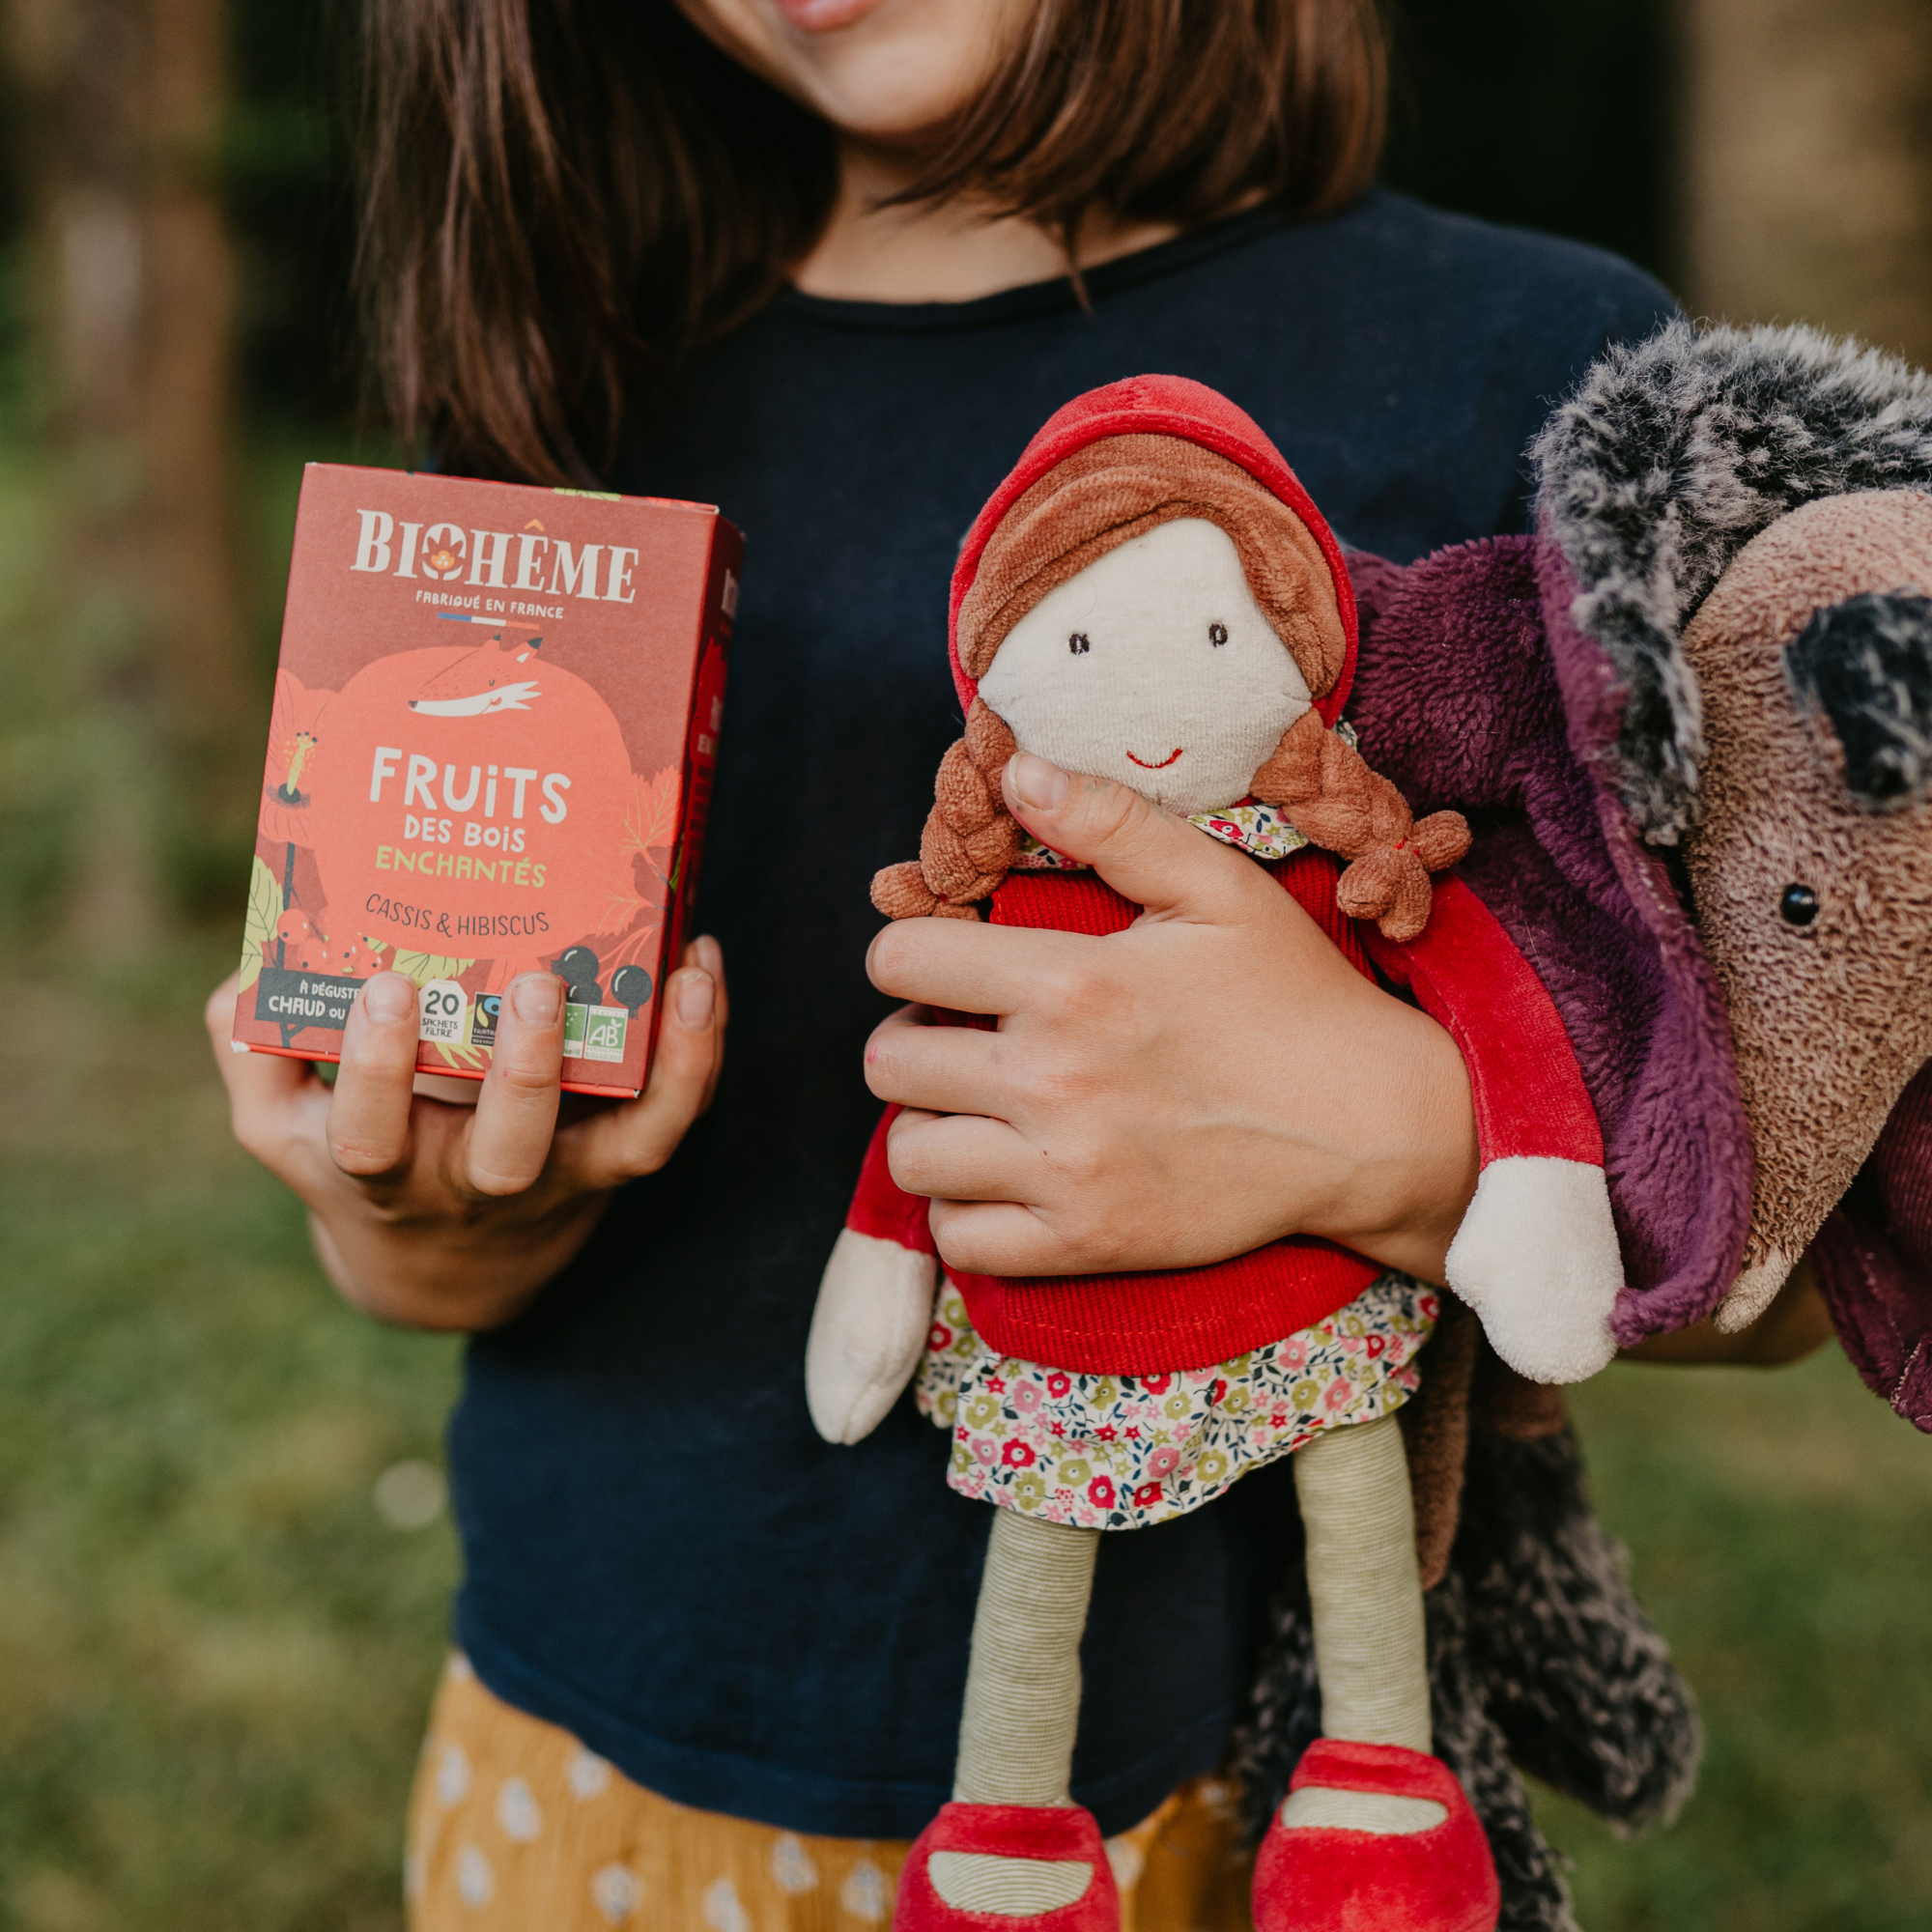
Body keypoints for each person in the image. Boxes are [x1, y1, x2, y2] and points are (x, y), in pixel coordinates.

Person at [202, 2, 1791, 1925]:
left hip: (1227, 1812)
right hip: (579, 1761)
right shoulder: (566, 404)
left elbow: (1797, 1257)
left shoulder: (1543, 371)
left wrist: (1398, 1138)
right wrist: (431, 1210)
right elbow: (422, 1264)